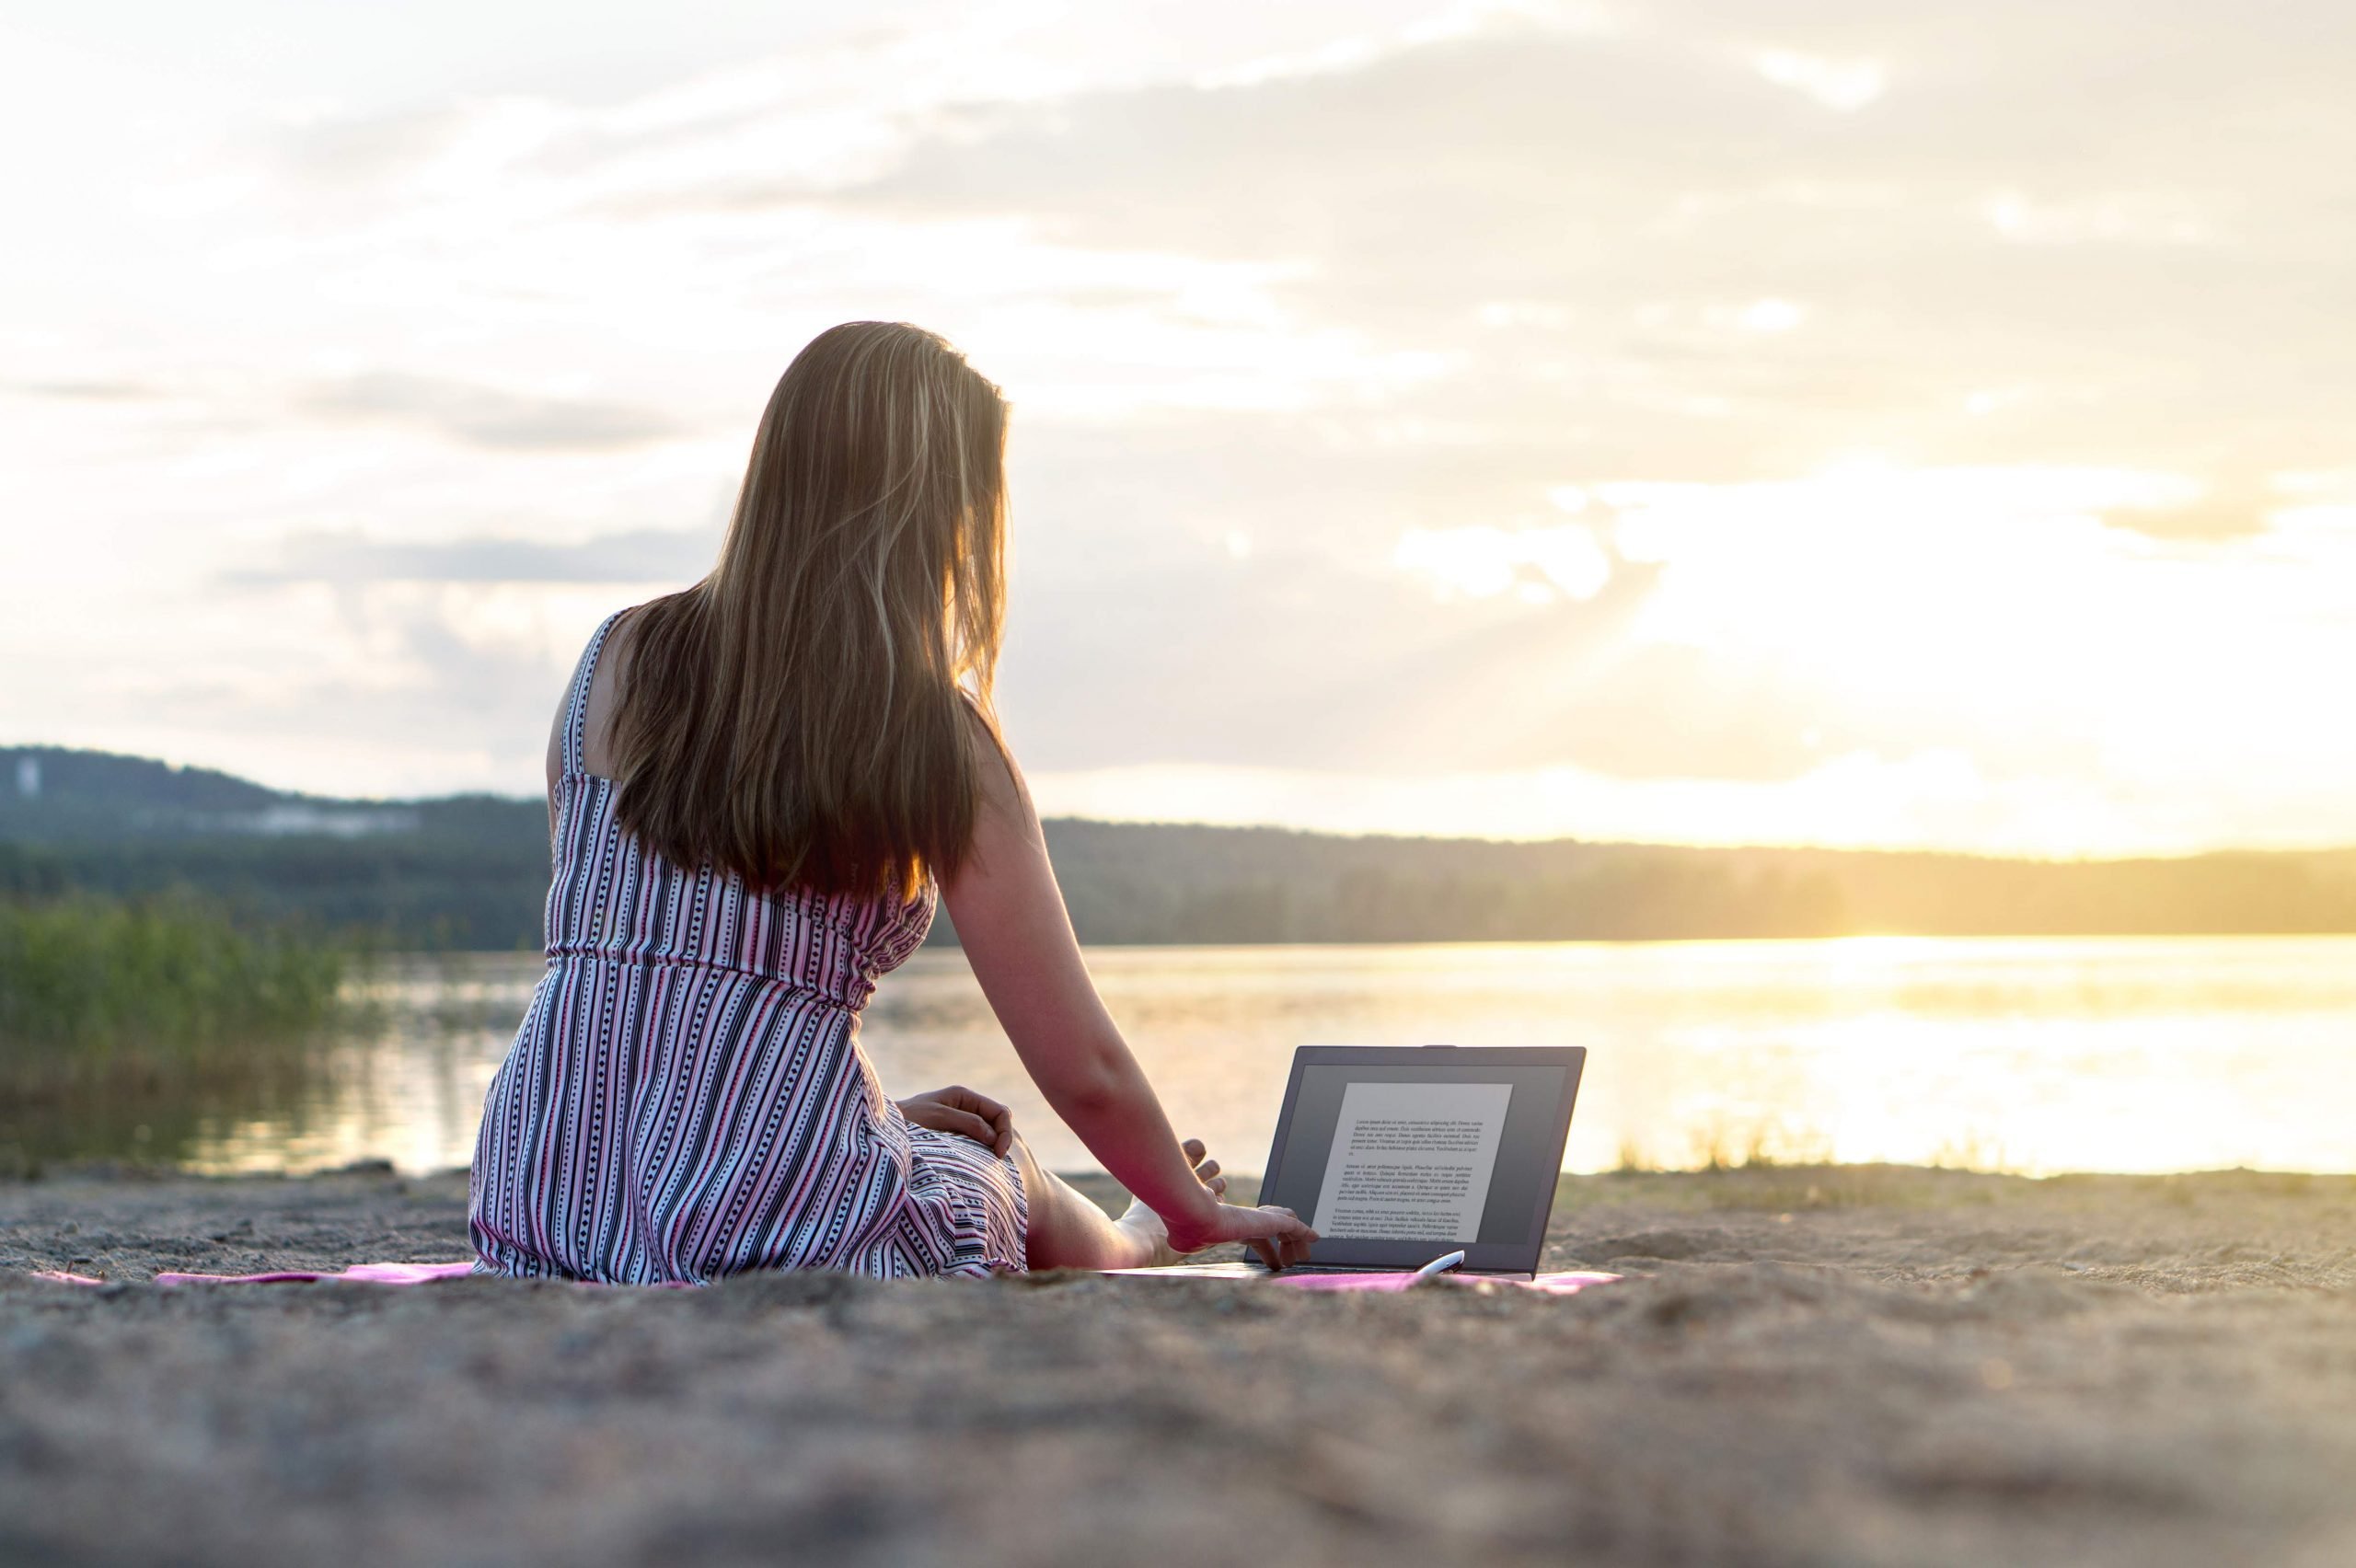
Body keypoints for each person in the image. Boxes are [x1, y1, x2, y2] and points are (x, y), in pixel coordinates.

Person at [468, 320, 1318, 1284]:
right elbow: (1083, 1065)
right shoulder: (932, 736)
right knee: (999, 1168)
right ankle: (1140, 1240)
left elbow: (647, 981)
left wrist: (849, 1111)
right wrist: (1195, 1205)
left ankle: (871, 1142)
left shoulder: (612, 661)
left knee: (928, 1142)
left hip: (539, 1188)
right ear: (939, 510)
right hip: (747, 1227)